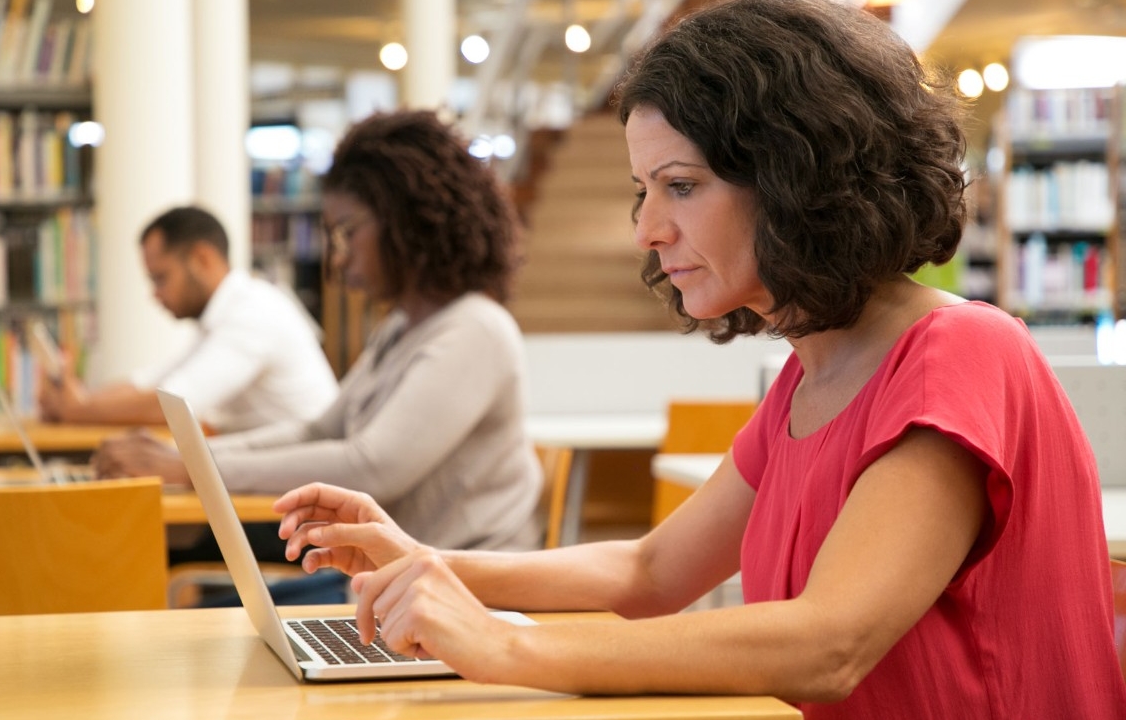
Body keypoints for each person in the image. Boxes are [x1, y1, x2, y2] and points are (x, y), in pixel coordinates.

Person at [270, 1, 1126, 717]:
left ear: (799, 177)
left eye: (681, 186)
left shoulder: (961, 353)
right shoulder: (813, 374)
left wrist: (506, 644)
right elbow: (648, 570)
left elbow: (828, 643)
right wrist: (421, 559)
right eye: (645, 192)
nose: (647, 230)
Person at [93, 110, 544, 560]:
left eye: (347, 233)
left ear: (407, 221)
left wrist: (190, 465)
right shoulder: (403, 331)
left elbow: (370, 467)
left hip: (471, 598)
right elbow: (320, 429)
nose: (339, 259)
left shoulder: (475, 330)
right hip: (401, 586)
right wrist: (187, 454)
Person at [38, 205, 338, 434]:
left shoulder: (253, 315)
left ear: (202, 259)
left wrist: (79, 409)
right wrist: (81, 399)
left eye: (161, 278)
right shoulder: (225, 314)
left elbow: (174, 405)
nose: (154, 294)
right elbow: (150, 381)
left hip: (309, 494)